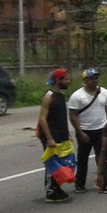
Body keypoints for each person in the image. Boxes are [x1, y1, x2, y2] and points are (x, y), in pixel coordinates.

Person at [68, 67, 107, 194]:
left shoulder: (104, 93)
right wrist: (79, 131)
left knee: (102, 157)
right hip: (85, 130)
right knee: (82, 158)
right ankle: (79, 184)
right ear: (85, 80)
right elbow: (73, 115)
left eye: (96, 78)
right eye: (91, 78)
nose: (94, 81)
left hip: (101, 130)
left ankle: (104, 184)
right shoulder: (77, 96)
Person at [37, 68, 73, 203]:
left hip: (61, 136)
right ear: (58, 80)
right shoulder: (49, 96)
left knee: (61, 163)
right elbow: (42, 119)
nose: (68, 81)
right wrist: (49, 138)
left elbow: (60, 118)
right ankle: (51, 190)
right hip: (51, 136)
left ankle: (57, 187)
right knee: (51, 163)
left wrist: (67, 135)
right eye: (65, 79)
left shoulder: (60, 96)